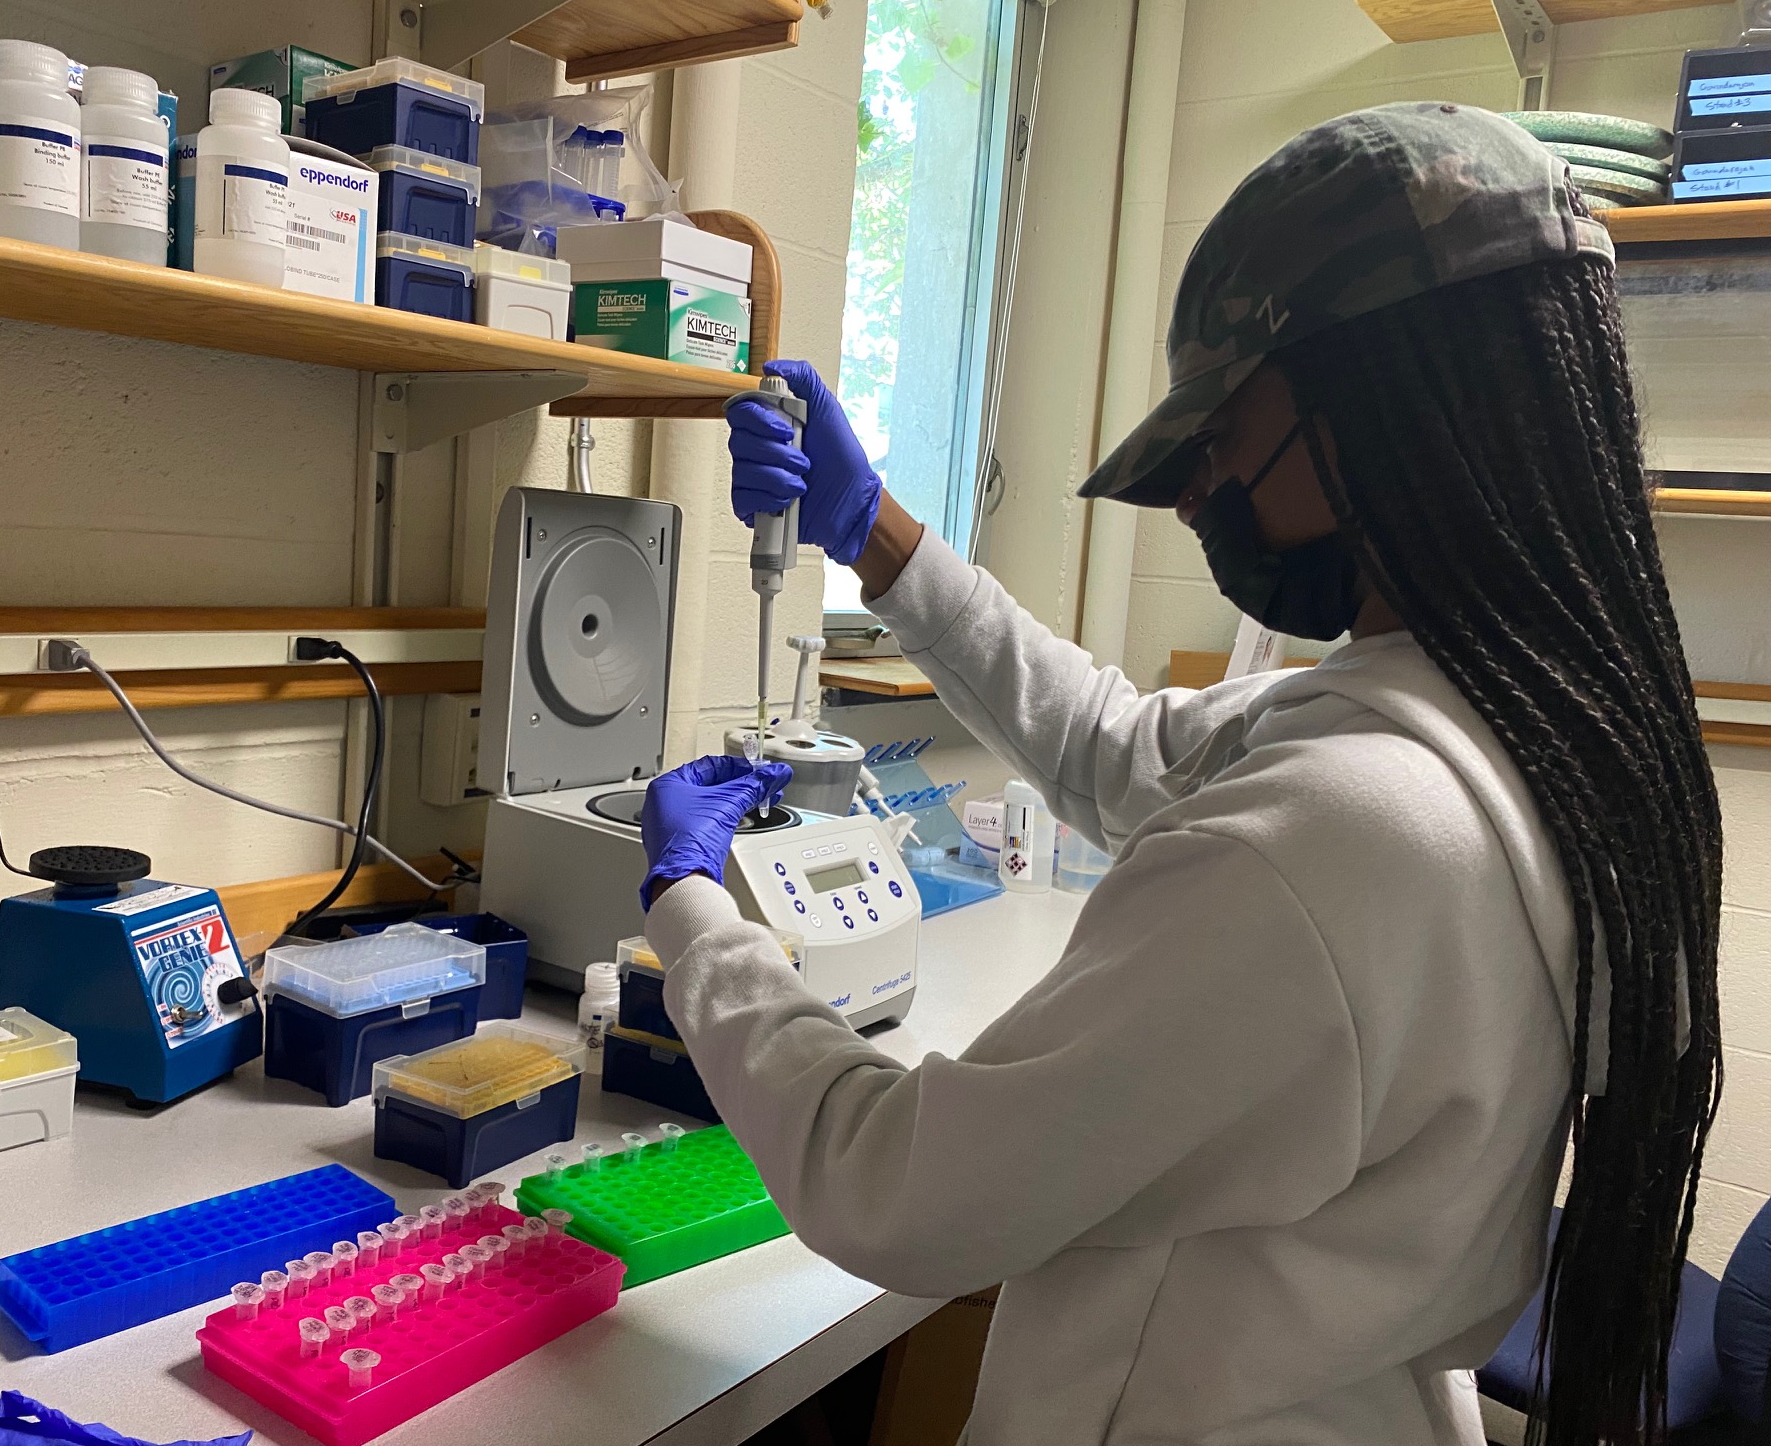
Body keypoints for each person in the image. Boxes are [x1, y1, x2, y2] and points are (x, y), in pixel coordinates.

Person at [632, 103, 1723, 1446]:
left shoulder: (1335, 841)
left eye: (1221, 437)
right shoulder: (1547, 732)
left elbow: (895, 1189)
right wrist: (880, 541)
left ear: (1380, 404)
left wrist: (693, 913)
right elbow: (1116, 746)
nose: (1203, 492)